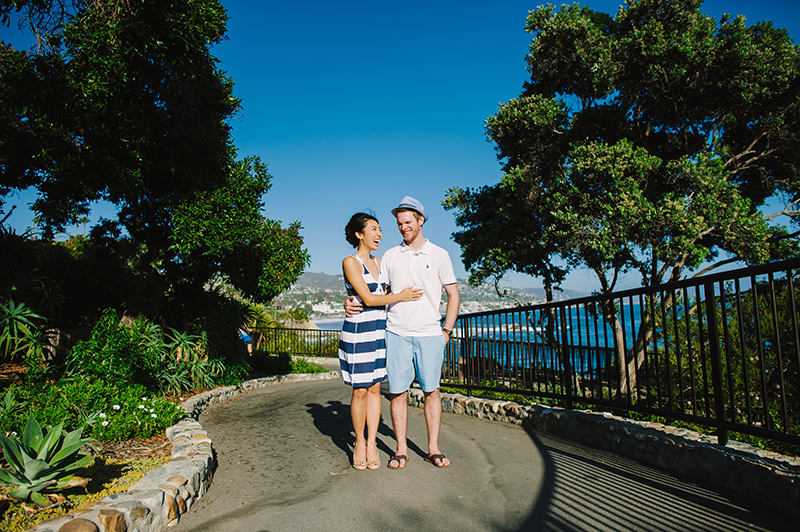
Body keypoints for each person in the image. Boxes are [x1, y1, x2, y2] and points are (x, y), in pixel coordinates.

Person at [345, 196, 460, 470]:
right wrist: (349, 301)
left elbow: (453, 295)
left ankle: (433, 448)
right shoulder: (390, 257)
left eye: (408, 222)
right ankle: (400, 450)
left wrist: (446, 330)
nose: (402, 227)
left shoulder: (440, 255)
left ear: (420, 220)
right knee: (397, 392)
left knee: (432, 391)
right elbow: (376, 292)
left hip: (431, 333)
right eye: (399, 223)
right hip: (395, 333)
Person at [339, 212, 423, 471]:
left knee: (375, 388)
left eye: (380, 230)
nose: (379, 235)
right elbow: (368, 298)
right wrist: (401, 296)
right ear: (359, 234)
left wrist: (397, 295)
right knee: (360, 390)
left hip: (379, 332)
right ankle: (360, 443)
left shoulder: (380, 261)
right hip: (358, 332)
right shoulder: (350, 262)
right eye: (373, 229)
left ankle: (373, 443)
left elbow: (381, 294)